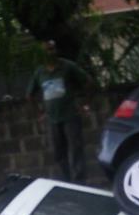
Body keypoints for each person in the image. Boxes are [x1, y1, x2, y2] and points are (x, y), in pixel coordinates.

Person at [27, 39, 95, 183]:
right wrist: (39, 112)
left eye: (52, 49)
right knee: (58, 152)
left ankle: (80, 181)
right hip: (52, 118)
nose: (50, 53)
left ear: (56, 50)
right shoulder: (40, 72)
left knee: (76, 148)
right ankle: (66, 181)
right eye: (46, 50)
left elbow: (88, 81)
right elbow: (29, 95)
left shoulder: (67, 66)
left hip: (70, 115)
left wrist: (85, 104)